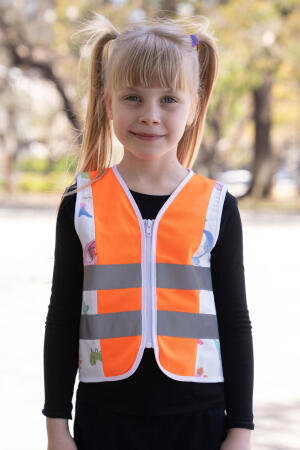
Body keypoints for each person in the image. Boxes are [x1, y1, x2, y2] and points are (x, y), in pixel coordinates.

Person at [42, 12, 254, 450]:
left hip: (200, 417)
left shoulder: (217, 207)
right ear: (108, 103)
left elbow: (234, 322)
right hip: (106, 417)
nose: (150, 116)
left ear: (194, 106)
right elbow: (63, 318)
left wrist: (241, 428)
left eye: (169, 100)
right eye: (133, 98)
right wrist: (56, 426)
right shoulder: (80, 204)